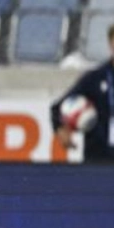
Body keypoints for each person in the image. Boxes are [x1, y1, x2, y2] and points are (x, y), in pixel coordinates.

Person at [51, 24, 114, 162]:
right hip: (99, 159)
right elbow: (58, 107)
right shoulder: (95, 78)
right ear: (111, 45)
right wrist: (61, 128)